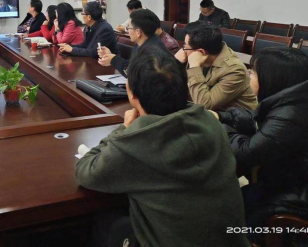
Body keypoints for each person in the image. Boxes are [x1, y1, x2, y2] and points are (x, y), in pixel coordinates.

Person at [76, 47, 249, 247]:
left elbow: (85, 171)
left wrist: (124, 129)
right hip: (233, 240)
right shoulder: (211, 122)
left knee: (103, 222)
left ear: (131, 93)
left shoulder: (136, 141)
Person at [215, 48, 308, 235]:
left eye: (253, 72)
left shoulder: (293, 113)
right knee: (235, 199)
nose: (248, 74)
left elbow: (246, 153)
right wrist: (222, 116)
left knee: (234, 214)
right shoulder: (300, 97)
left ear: (271, 79)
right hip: (298, 177)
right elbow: (259, 120)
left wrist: (218, 126)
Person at [175, 21, 257, 111]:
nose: (183, 50)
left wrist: (194, 67)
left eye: (185, 46)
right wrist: (176, 63)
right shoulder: (195, 56)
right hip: (208, 114)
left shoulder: (234, 70)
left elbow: (204, 105)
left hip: (232, 118)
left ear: (201, 52)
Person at [98, 9, 169, 76]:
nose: (128, 31)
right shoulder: (142, 43)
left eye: (128, 28)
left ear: (138, 32)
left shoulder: (151, 51)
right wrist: (110, 56)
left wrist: (114, 60)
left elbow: (133, 74)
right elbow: (132, 65)